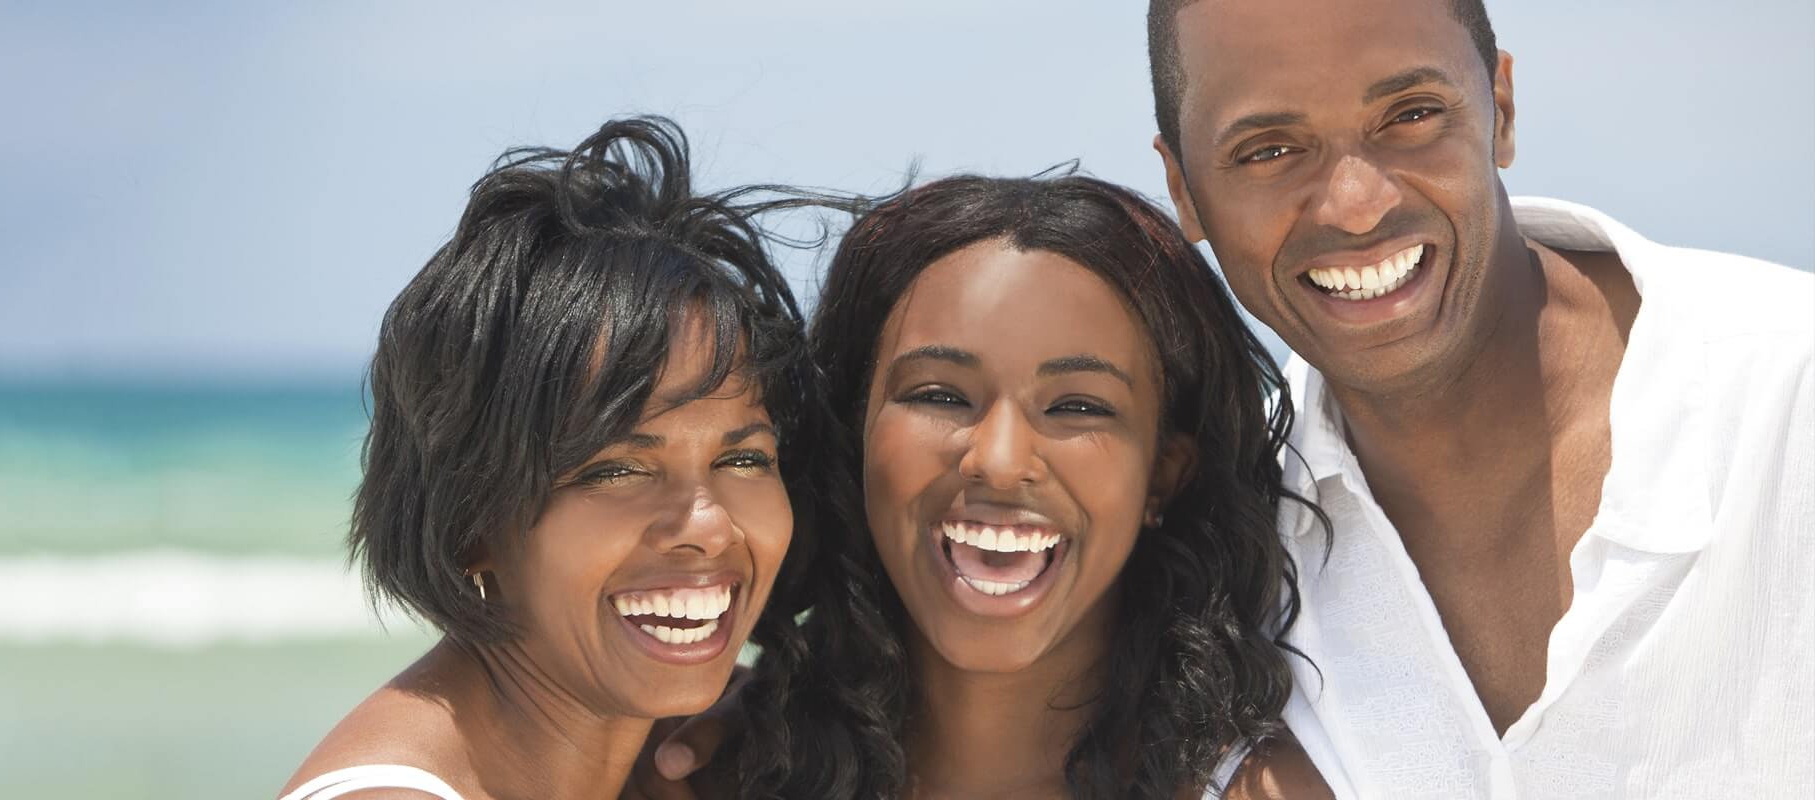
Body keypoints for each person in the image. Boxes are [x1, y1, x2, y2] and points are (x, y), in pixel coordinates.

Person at [1145, 0, 1814, 796]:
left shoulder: (1788, 390)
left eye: (1412, 114)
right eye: (1271, 150)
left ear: (1499, 107)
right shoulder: (1209, 563)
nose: (1357, 203)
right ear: (1184, 191)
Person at [718, 173, 1331, 798]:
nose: (1001, 461)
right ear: (855, 435)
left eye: (1079, 407)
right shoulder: (705, 774)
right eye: (939, 395)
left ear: (1165, 474)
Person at [277, 117, 816, 800]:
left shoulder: (680, 756)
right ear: (471, 522)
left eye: (743, 460)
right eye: (617, 469)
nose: (709, 527)